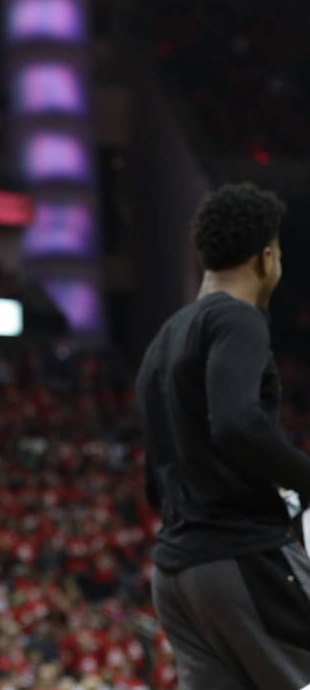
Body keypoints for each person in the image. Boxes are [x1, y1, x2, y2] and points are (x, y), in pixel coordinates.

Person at [136, 183, 310, 688]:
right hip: (242, 556)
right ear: (267, 257)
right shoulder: (238, 319)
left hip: (176, 577)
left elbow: (154, 483)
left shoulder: (162, 340)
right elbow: (237, 425)